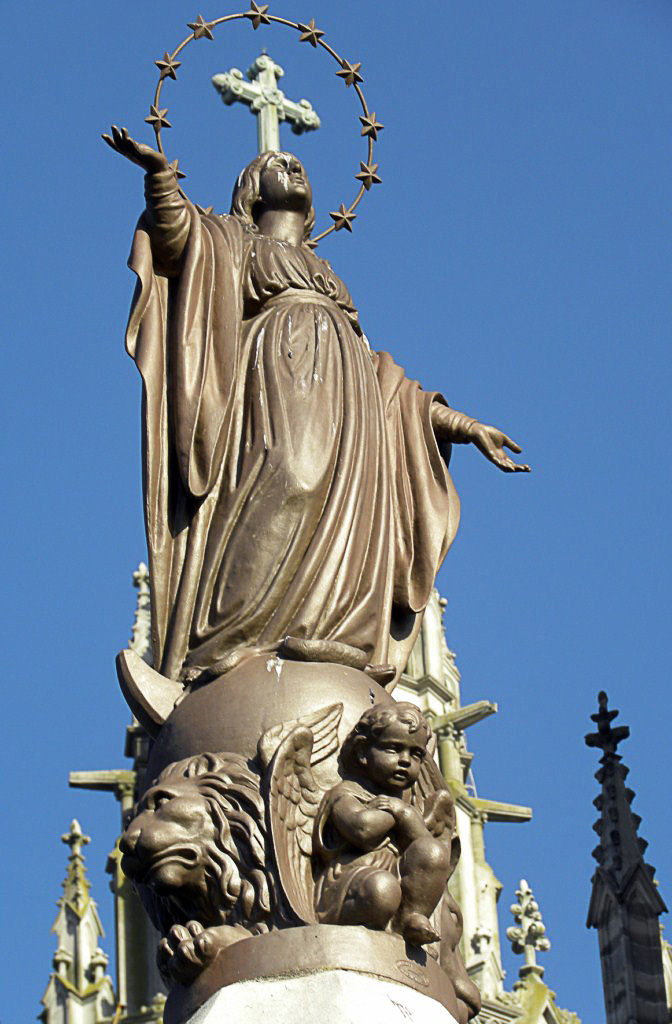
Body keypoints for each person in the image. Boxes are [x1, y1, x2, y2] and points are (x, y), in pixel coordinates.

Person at [104, 128, 530, 686]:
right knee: (288, 479)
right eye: (277, 163)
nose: (293, 166)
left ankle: (327, 644)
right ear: (252, 189)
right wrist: (161, 179)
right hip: (271, 385)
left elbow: (389, 390)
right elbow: (177, 237)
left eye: (299, 162)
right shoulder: (231, 240)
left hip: (348, 408)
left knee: (343, 519)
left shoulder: (329, 276)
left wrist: (462, 425)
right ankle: (227, 646)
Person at [312, 702, 454, 946]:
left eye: (415, 754)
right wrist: (396, 813)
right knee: (382, 888)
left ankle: (409, 920)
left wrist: (405, 813)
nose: (405, 761)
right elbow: (362, 829)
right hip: (351, 885)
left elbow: (426, 848)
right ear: (362, 752)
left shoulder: (404, 806)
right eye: (393, 749)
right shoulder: (346, 793)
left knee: (431, 852)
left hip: (396, 884)